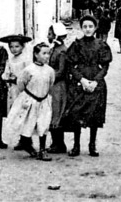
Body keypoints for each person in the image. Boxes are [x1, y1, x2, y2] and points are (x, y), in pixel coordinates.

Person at [61, 15, 112, 157]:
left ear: (95, 28)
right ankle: (76, 145)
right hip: (80, 82)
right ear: (81, 28)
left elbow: (105, 67)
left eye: (90, 26)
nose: (88, 29)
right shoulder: (77, 45)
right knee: (77, 113)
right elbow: (71, 66)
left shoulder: (101, 44)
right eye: (85, 27)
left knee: (94, 115)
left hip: (96, 81)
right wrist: (82, 80)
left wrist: (96, 81)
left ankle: (92, 145)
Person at [6, 42, 56, 162]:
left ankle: (42, 150)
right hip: (29, 100)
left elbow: (50, 84)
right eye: (43, 53)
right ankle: (25, 143)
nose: (46, 56)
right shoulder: (29, 69)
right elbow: (21, 83)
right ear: (36, 54)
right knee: (27, 122)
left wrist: (42, 97)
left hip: (43, 101)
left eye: (48, 53)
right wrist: (30, 96)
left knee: (43, 124)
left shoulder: (49, 70)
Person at [0, 34, 31, 151]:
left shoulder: (26, 59)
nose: (14, 49)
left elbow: (28, 74)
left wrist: (17, 78)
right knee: (16, 113)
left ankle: (26, 140)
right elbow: (5, 73)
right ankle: (21, 139)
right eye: (11, 47)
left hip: (23, 90)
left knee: (24, 113)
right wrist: (6, 77)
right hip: (13, 90)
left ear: (22, 47)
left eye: (17, 46)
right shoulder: (10, 60)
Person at [46, 23, 70, 154]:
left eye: (50, 34)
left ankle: (59, 144)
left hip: (58, 86)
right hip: (52, 85)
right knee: (51, 112)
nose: (47, 36)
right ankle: (56, 142)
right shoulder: (54, 49)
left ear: (56, 35)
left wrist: (46, 74)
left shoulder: (62, 51)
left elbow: (61, 71)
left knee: (56, 113)